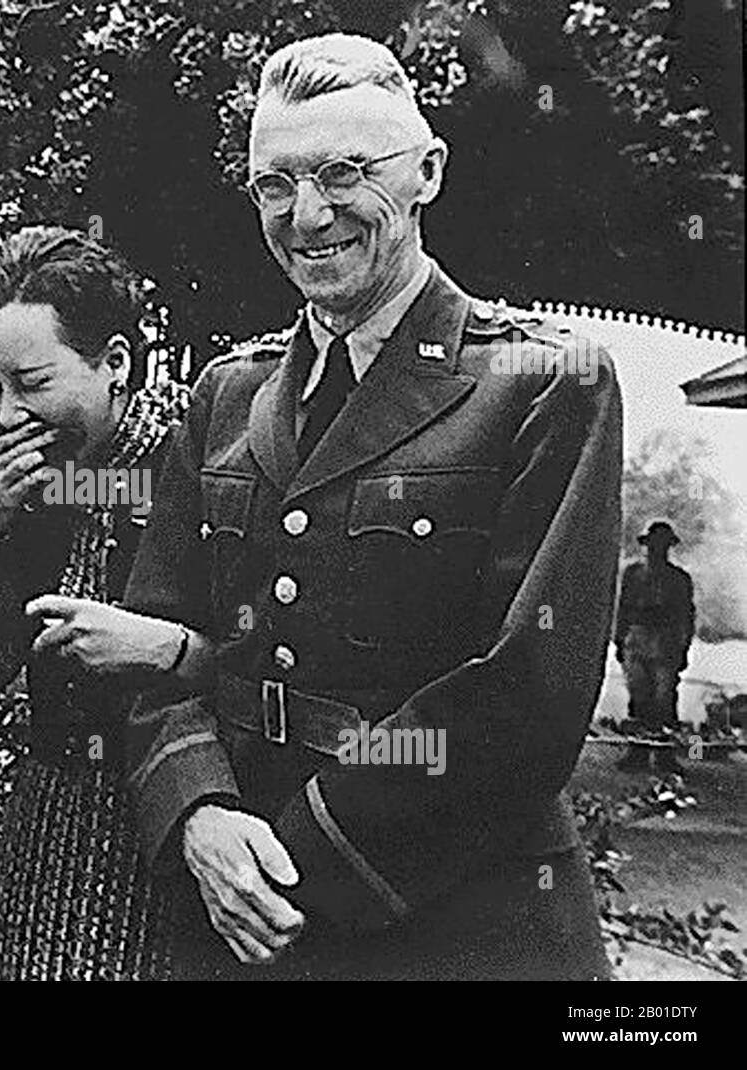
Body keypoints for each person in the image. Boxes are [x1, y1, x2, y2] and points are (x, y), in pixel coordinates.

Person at [120, 34, 622, 980]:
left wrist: (291, 856)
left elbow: (527, 691)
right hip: (234, 914)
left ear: (427, 172)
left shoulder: (543, 384)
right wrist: (199, 813)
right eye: (275, 184)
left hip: (452, 921)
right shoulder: (229, 395)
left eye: (344, 172)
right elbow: (150, 643)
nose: (307, 215)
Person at [0, 226, 207, 979]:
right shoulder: (10, 482)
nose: (4, 414)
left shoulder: (198, 461)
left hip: (175, 820)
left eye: (32, 384)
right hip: (44, 829)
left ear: (116, 363)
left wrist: (167, 648)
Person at [614, 520, 696, 773]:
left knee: (664, 698)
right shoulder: (632, 574)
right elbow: (623, 609)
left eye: (661, 546)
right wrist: (620, 639)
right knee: (638, 697)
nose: (655, 550)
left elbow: (686, 616)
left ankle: (664, 755)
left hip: (665, 640)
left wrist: (683, 649)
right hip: (637, 639)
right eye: (652, 545)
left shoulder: (679, 580)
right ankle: (636, 752)